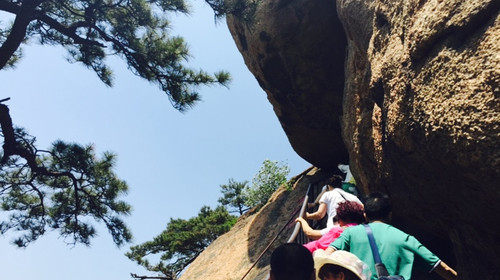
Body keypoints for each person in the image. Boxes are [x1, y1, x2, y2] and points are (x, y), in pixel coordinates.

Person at [326, 193, 458, 280]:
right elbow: (443, 268)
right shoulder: (406, 238)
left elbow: (328, 254)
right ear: (389, 214)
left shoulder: (350, 233)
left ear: (365, 214)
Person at [296, 201, 365, 250]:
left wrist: (302, 220)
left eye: (339, 218)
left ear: (344, 218)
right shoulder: (364, 230)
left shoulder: (339, 231)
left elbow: (318, 244)